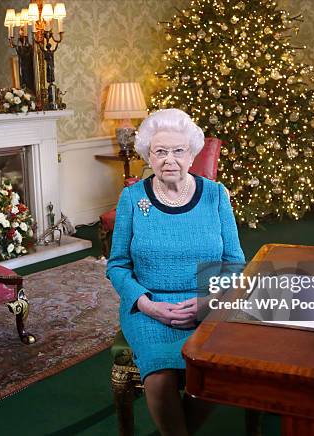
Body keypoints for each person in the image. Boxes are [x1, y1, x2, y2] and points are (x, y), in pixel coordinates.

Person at [106, 108, 245, 435]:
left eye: (178, 151)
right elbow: (117, 265)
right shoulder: (132, 198)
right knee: (159, 376)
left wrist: (208, 303)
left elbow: (234, 262)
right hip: (151, 309)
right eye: (160, 151)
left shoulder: (216, 195)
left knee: (220, 369)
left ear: (193, 153)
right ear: (148, 155)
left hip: (207, 304)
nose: (170, 159)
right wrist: (144, 303)